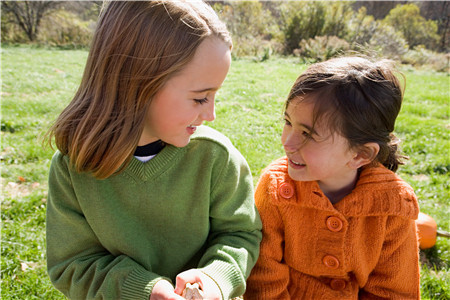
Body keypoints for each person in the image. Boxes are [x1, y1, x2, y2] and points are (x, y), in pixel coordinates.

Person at [45, 1, 262, 299]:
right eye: (200, 98)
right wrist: (146, 290)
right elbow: (72, 264)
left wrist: (214, 280)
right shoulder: (74, 167)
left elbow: (240, 234)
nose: (211, 114)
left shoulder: (216, 157)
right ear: (138, 83)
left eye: (215, 96)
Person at [245, 57, 420, 299]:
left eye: (307, 133)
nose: (287, 142)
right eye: (288, 122)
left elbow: (394, 290)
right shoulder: (276, 189)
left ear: (360, 154)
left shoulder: (394, 206)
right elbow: (264, 279)